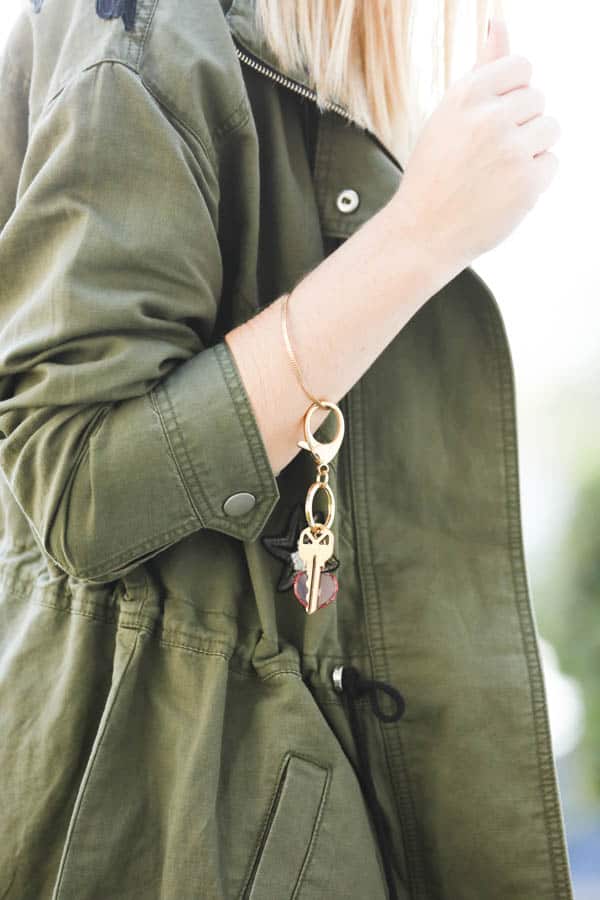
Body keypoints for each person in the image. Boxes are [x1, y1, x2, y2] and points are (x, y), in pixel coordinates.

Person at [0, 1, 572, 898]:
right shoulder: (138, 31)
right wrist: (421, 234)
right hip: (183, 826)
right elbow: (78, 482)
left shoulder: (275, 60)